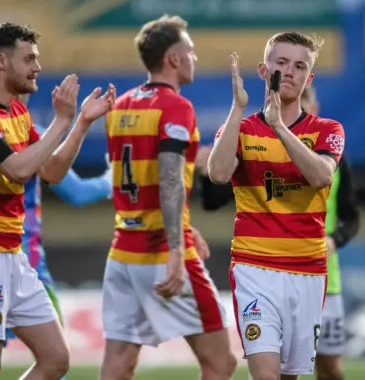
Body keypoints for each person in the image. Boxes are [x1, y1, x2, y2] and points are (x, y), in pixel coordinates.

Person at [0, 22, 115, 380]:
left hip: (12, 254)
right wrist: (61, 120)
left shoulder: (17, 114)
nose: (37, 66)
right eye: (30, 58)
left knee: (56, 359)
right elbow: (18, 170)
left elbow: (51, 172)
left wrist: (80, 122)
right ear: (1, 61)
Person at [99, 15, 236, 380]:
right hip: (161, 251)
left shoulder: (121, 106)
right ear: (173, 59)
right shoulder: (176, 107)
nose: (194, 57)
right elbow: (168, 180)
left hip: (122, 252)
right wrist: (177, 247)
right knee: (221, 363)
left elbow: (131, 179)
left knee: (119, 364)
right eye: (189, 50)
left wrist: (186, 228)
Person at [208, 32, 346, 380]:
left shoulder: (328, 130)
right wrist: (238, 108)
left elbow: (320, 177)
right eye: (281, 63)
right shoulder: (239, 127)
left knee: (289, 376)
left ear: (308, 79)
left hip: (308, 272)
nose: (289, 72)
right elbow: (219, 174)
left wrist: (280, 128)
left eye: (300, 66)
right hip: (255, 269)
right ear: (263, 70)